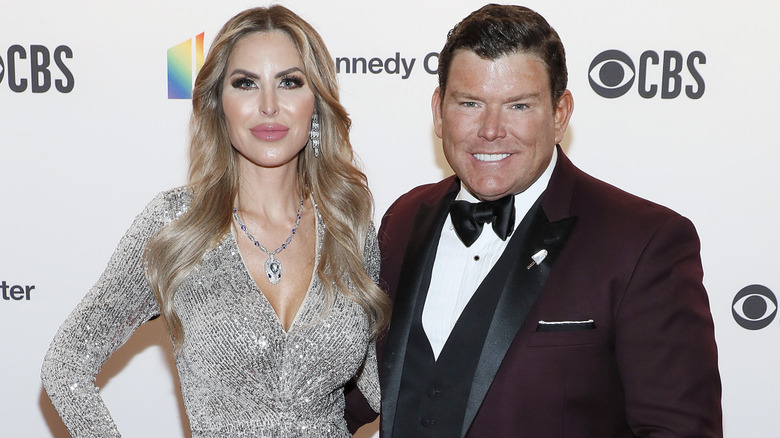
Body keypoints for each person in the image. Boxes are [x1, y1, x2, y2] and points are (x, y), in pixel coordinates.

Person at [348, 3, 722, 437]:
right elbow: (355, 389)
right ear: (438, 110)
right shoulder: (405, 217)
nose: (490, 129)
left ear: (560, 114)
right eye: (470, 103)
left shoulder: (643, 243)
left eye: (518, 107)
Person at [41, 5, 390, 437]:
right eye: (245, 83)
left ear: (315, 102)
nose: (268, 106)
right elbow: (67, 360)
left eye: (289, 82)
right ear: (218, 102)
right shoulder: (176, 225)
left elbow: (383, 383)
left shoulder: (348, 226)